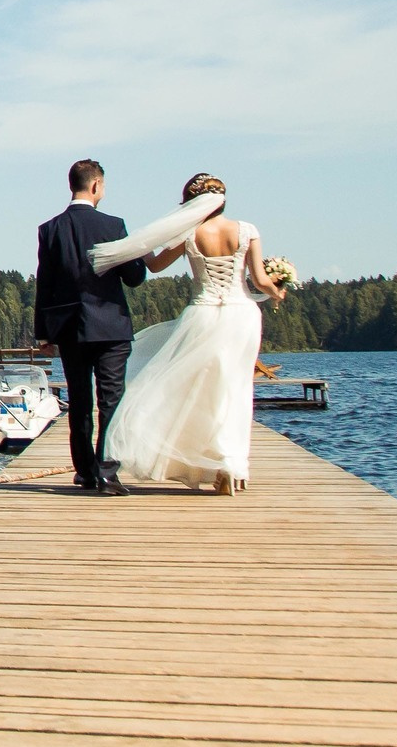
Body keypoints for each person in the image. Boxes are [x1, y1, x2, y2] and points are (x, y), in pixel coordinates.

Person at [104, 173, 287, 494]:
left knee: (202, 391)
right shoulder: (247, 230)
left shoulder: (188, 234)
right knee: (236, 389)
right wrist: (277, 292)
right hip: (241, 316)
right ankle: (231, 465)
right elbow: (259, 280)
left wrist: (143, 243)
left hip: (203, 315)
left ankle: (212, 459)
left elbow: (156, 265)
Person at [34, 158, 146, 495]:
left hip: (71, 328)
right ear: (96, 185)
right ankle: (107, 472)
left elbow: (45, 283)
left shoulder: (50, 229)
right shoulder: (113, 226)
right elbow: (134, 277)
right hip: (111, 326)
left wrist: (43, 333)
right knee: (112, 399)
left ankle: (84, 471)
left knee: (80, 400)